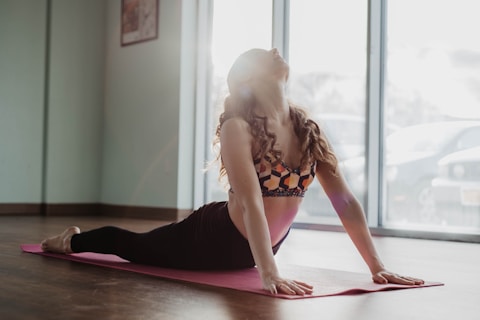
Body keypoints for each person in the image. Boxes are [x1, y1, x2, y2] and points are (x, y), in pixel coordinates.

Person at [41, 48, 424, 296]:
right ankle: (71, 240)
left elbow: (345, 201)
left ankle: (76, 238)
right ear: (247, 79)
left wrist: (378, 267)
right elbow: (253, 202)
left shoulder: (306, 128)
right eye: (262, 55)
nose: (275, 51)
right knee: (133, 247)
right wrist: (269, 273)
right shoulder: (237, 128)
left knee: (137, 247)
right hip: (212, 237)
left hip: (260, 248)